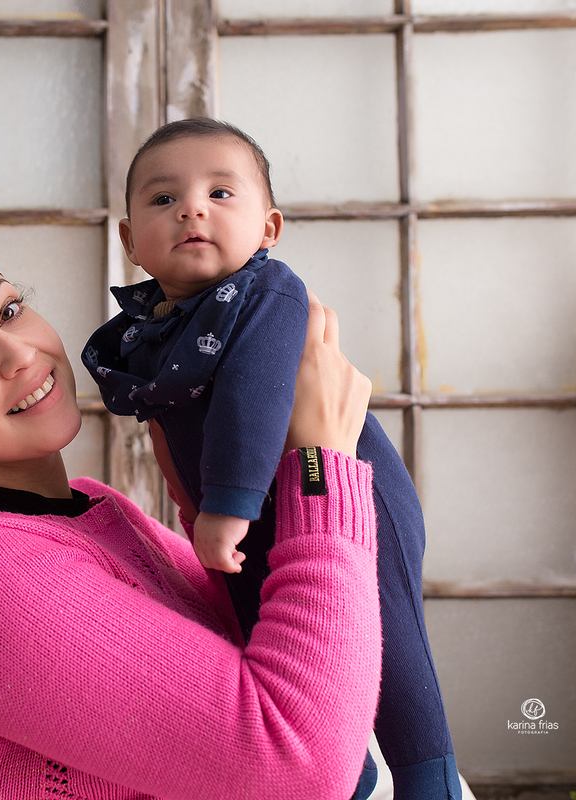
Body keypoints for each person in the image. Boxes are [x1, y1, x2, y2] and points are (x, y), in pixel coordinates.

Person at [0, 236, 379, 799]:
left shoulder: (85, 508)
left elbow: (268, 642)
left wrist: (215, 482)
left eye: (8, 310)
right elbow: (301, 769)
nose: (18, 354)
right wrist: (321, 464)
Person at [81, 118, 460, 800]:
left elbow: (252, 400)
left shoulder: (266, 295)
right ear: (131, 242)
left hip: (345, 495)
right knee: (274, 644)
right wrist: (197, 505)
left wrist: (221, 507)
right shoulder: (147, 337)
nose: (192, 208)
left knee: (392, 654)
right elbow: (164, 427)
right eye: (164, 199)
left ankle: (427, 777)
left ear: (269, 228)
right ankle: (345, 773)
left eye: (221, 192)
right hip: (239, 517)